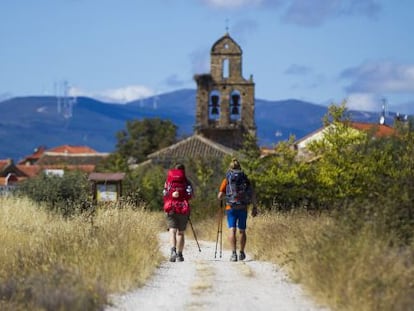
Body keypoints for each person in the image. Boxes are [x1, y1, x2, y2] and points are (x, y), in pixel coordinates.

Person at [217, 158, 258, 262]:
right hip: (243, 207)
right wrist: (254, 207)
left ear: (230, 168)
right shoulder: (245, 179)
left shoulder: (227, 179)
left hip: (230, 207)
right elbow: (252, 193)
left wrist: (223, 196)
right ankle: (242, 252)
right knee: (242, 230)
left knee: (232, 230)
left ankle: (233, 254)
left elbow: (220, 195)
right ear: (240, 167)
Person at [163, 163, 193, 262]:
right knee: (180, 233)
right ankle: (180, 255)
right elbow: (190, 195)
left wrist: (172, 195)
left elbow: (164, 194)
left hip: (171, 207)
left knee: (172, 230)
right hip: (183, 208)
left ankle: (173, 251)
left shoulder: (168, 181)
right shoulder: (187, 182)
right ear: (183, 171)